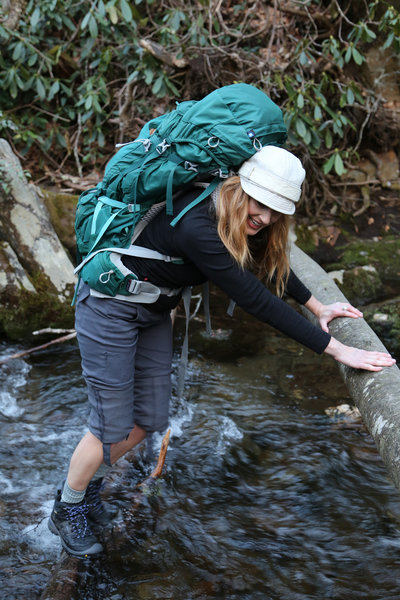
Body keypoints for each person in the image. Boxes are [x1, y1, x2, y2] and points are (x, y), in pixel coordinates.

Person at [48, 145, 396, 557]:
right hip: (109, 306)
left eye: (275, 210)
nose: (265, 217)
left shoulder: (237, 214)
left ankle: (86, 490)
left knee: (147, 420)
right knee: (110, 426)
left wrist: (318, 306)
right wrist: (337, 349)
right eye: (261, 204)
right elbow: (255, 299)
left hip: (154, 309)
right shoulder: (199, 225)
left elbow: (264, 264)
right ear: (242, 186)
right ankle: (67, 506)